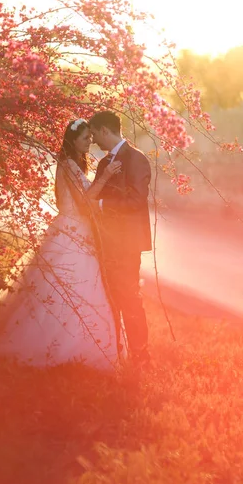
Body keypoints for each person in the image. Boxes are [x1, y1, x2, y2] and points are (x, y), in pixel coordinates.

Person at [0, 118, 124, 371]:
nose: (90, 142)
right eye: (85, 138)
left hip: (70, 227)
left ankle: (73, 344)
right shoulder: (71, 165)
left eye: (90, 137)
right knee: (72, 284)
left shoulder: (70, 164)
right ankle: (64, 347)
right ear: (72, 141)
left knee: (72, 285)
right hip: (72, 231)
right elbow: (85, 200)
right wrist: (106, 176)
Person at [87, 110, 152, 366]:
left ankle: (141, 355)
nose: (93, 141)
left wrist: (103, 206)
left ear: (105, 130)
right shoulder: (104, 164)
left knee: (129, 296)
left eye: (94, 134)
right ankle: (114, 352)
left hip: (127, 244)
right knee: (110, 297)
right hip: (106, 242)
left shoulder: (136, 159)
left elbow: (137, 199)